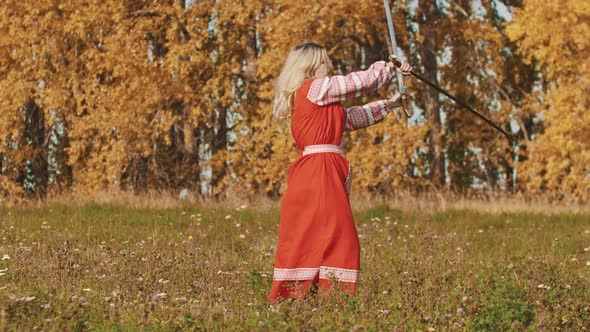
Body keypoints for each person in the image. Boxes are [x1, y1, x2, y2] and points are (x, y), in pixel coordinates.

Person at [269, 41, 413, 302]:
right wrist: (389, 67)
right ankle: (332, 299)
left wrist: (390, 105)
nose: (330, 65)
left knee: (313, 236)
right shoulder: (315, 88)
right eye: (325, 60)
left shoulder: (319, 100)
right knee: (340, 237)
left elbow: (352, 118)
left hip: (320, 172)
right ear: (312, 65)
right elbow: (358, 82)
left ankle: (309, 299)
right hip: (318, 173)